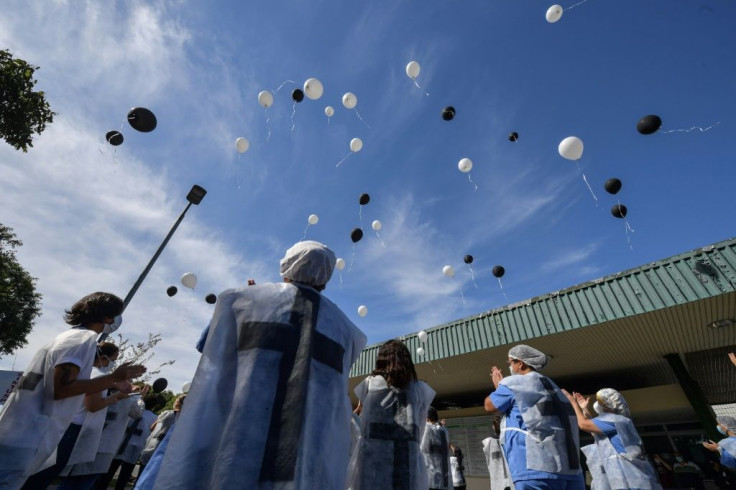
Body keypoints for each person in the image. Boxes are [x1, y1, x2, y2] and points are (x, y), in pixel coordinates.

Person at [150, 240, 367, 489]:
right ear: (326, 278)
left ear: (287, 266)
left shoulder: (241, 300)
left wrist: (250, 303)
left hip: (238, 440)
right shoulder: (347, 332)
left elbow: (209, 350)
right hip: (305, 453)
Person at [0, 292, 146, 490]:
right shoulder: (83, 340)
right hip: (28, 438)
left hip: (20, 433)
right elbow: (62, 388)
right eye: (115, 316)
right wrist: (113, 378)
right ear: (107, 317)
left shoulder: (68, 337)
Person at [484, 344, 584, 490]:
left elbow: (489, 406)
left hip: (534, 468)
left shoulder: (515, 383)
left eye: (510, 362)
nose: (510, 367)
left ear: (520, 363)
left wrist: (500, 386)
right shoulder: (554, 387)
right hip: (569, 468)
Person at [348, 339, 435, 490]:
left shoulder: (369, 384)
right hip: (408, 469)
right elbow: (420, 429)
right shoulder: (420, 390)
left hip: (371, 470)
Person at [562, 388, 661, 489]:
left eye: (600, 401)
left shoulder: (614, 420)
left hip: (630, 479)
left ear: (607, 405)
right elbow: (594, 431)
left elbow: (584, 425)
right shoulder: (619, 421)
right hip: (632, 477)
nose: (597, 403)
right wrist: (584, 409)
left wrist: (572, 402)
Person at [59, 383, 148, 490]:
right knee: (81, 481)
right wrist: (139, 396)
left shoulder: (107, 392)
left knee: (78, 480)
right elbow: (138, 413)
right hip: (100, 445)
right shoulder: (127, 399)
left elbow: (136, 414)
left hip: (93, 443)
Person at [423, 406, 451, 490]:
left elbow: (422, 448)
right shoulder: (444, 430)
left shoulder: (428, 430)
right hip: (444, 478)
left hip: (432, 479)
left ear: (427, 418)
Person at [482, 417, 514, 490]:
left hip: (497, 479)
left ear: (493, 427)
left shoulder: (489, 442)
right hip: (511, 478)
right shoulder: (508, 439)